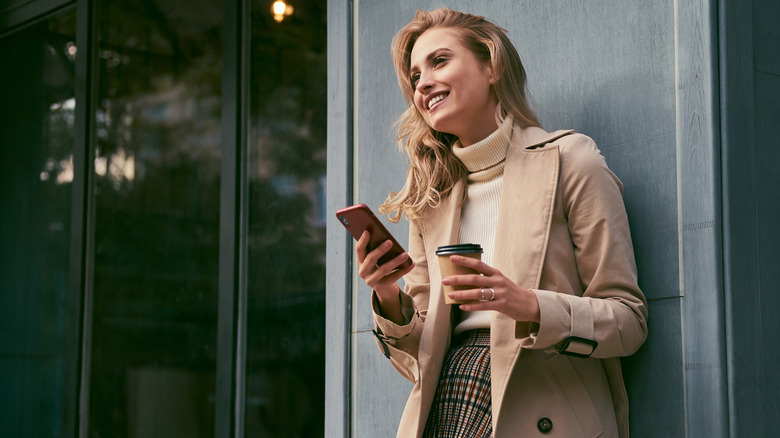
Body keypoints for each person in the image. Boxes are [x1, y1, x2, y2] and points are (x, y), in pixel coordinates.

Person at [355, 7, 648, 438]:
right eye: (415, 76)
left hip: (545, 407)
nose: (423, 84)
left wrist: (528, 306)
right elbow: (420, 357)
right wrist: (385, 292)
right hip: (450, 405)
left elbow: (628, 322)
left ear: (491, 66)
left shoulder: (571, 161)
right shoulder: (430, 200)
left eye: (439, 61)